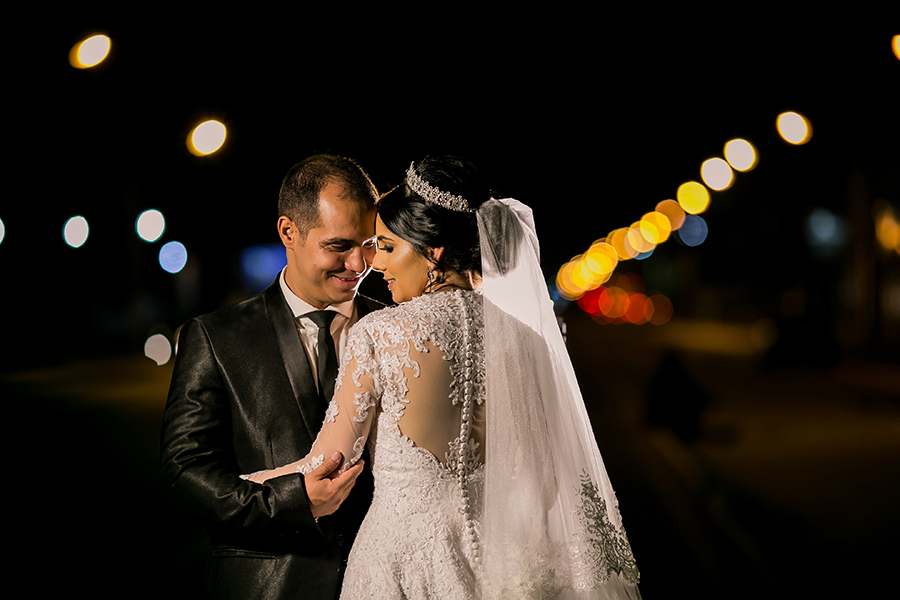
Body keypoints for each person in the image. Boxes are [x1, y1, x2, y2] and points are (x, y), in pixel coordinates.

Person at [244, 156, 642, 599]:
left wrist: (242, 486)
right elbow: (549, 486)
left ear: (432, 251)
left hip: (398, 564)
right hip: (501, 569)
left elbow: (325, 467)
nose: (375, 264)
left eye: (388, 247)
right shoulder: (530, 341)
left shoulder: (380, 334)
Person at [160, 154, 383, 600]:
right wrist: (293, 501)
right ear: (289, 232)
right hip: (267, 586)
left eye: (371, 243)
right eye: (339, 246)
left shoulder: (401, 333)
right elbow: (184, 473)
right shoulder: (215, 338)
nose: (359, 264)